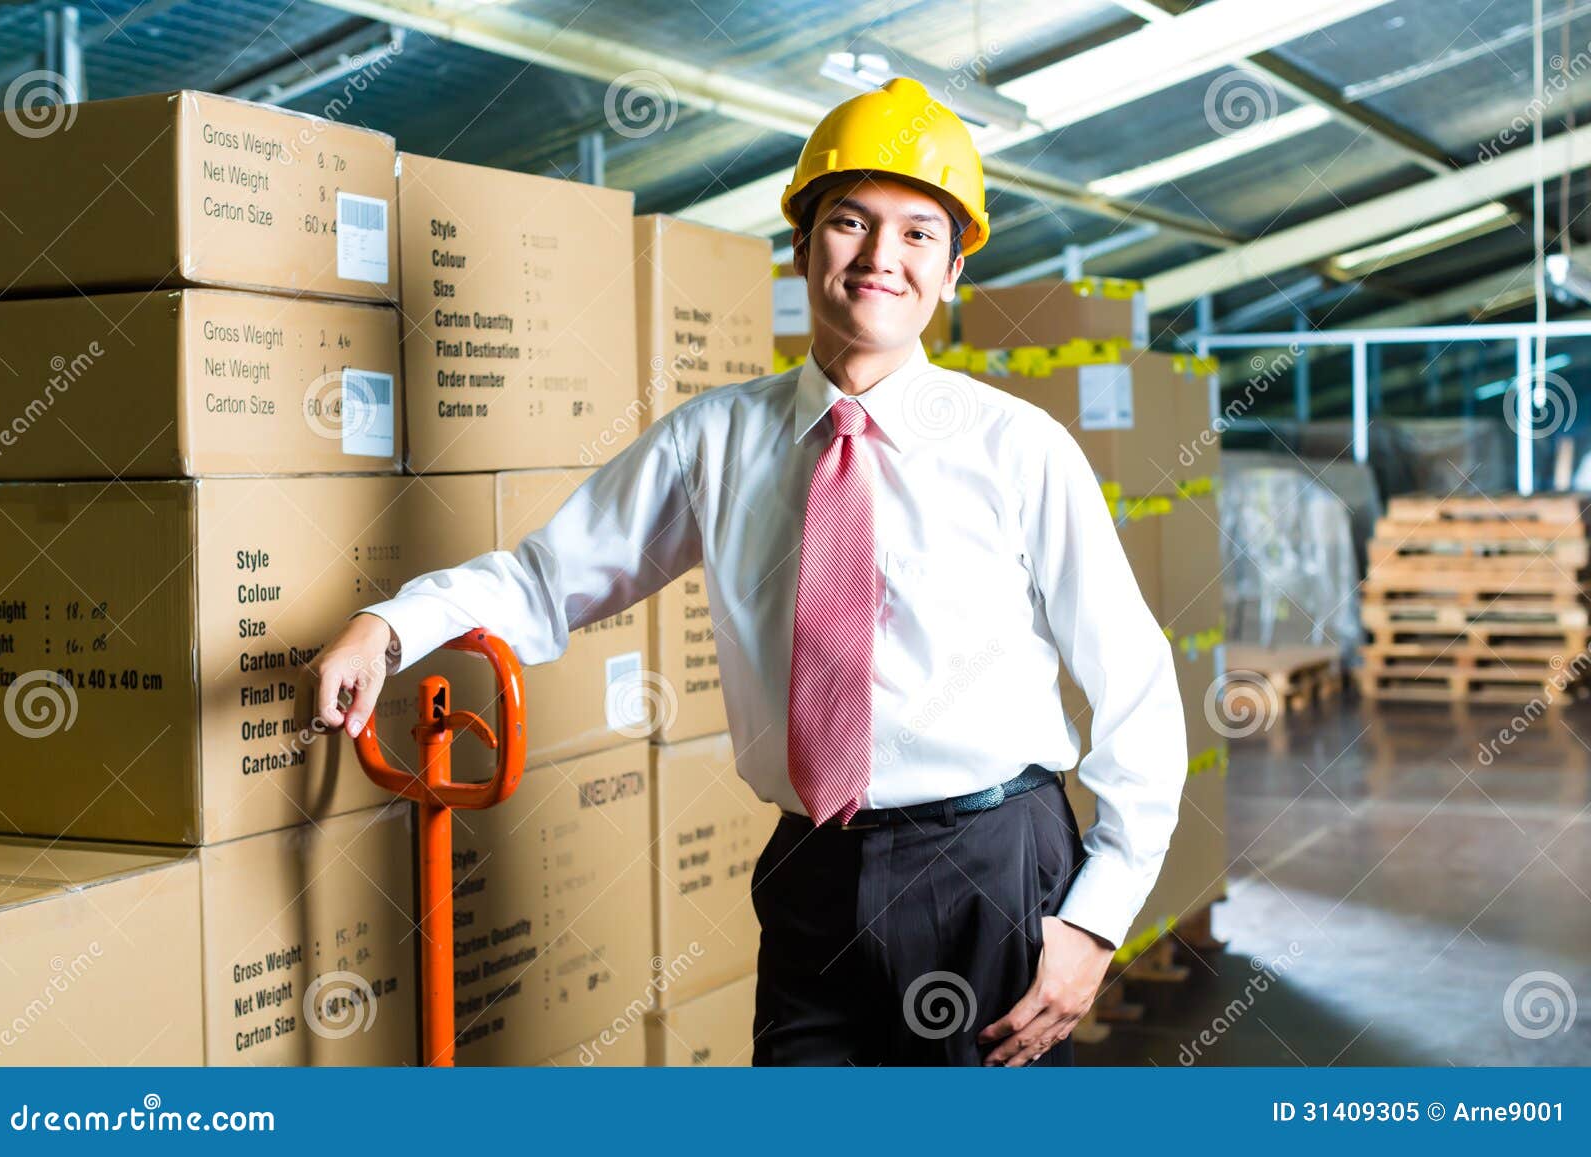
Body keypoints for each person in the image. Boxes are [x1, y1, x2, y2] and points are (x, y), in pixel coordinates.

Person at [314, 76, 1187, 1067]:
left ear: (951, 273)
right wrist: (389, 625)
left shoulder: (1015, 447)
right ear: (803, 244)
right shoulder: (716, 440)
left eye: (915, 235)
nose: (878, 258)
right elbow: (545, 580)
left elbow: (1133, 680)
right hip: (814, 864)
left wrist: (1098, 915)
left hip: (986, 869)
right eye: (850, 223)